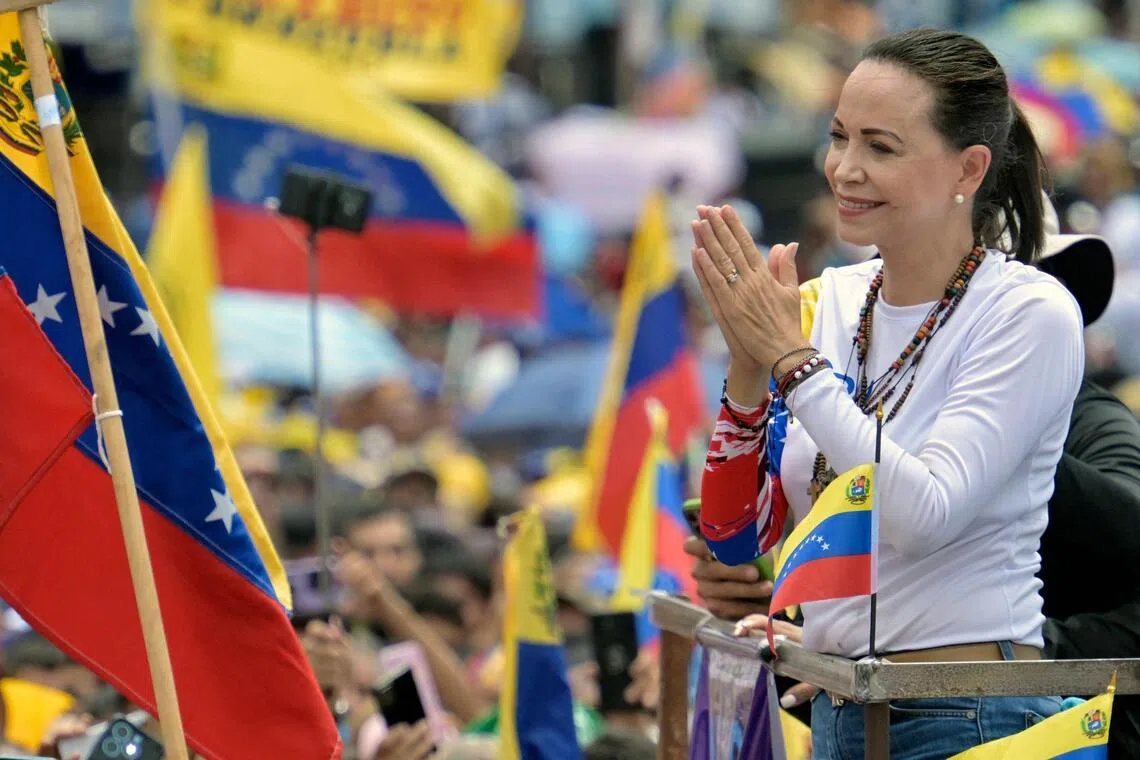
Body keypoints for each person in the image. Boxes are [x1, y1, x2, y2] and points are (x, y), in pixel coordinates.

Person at [691, 27, 1083, 758]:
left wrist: (792, 363)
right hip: (844, 708)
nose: (844, 168)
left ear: (968, 167)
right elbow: (737, 538)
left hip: (971, 715)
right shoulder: (823, 300)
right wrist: (749, 368)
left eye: (881, 147)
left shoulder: (1028, 312)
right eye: (838, 137)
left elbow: (925, 514)